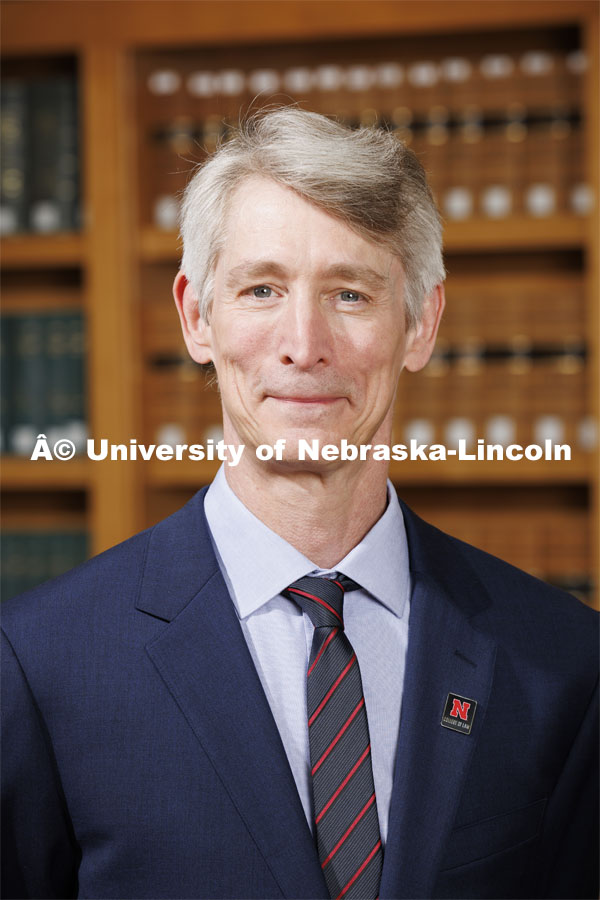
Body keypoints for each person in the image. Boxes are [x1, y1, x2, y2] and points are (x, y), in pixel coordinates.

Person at [2, 108, 598, 900]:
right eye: (261, 289)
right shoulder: (40, 662)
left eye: (350, 294)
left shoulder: (565, 661)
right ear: (196, 316)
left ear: (421, 324)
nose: (303, 343)